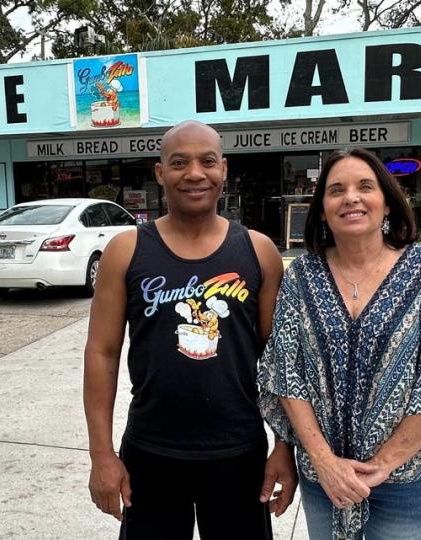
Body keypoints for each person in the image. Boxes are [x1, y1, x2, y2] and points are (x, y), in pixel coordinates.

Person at [257, 148, 421, 540]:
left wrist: (383, 464)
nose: (351, 197)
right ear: (322, 209)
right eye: (336, 190)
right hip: (322, 480)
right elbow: (286, 372)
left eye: (365, 186)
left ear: (386, 201)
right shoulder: (302, 277)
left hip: (405, 483)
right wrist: (324, 461)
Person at [84, 120, 297, 539]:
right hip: (151, 452)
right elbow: (102, 353)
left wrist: (284, 446)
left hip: (240, 453)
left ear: (225, 170)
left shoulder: (259, 251)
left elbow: (278, 360)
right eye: (179, 162)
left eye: (207, 161)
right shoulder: (126, 250)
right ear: (160, 172)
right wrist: (101, 454)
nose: (195, 173)